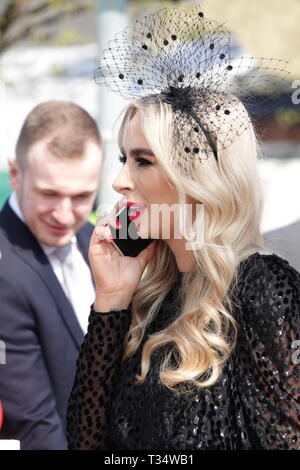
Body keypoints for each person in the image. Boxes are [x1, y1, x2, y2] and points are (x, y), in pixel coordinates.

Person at [66, 7, 300, 450]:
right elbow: (85, 443)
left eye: (143, 161)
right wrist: (111, 300)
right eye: (123, 159)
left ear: (197, 178)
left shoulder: (263, 289)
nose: (120, 181)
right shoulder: (150, 296)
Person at [0, 101, 103, 449]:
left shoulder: (96, 244)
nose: (63, 214)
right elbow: (31, 423)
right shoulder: (4, 272)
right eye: (49, 194)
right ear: (15, 174)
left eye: (81, 197)